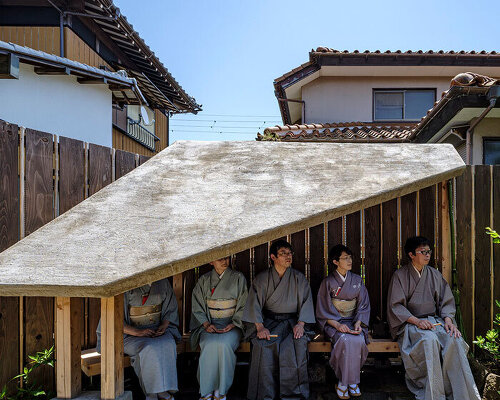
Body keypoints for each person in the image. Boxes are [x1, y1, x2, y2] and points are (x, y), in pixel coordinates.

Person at [387, 236, 480, 400]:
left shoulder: (435, 275)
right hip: (411, 324)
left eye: (429, 251)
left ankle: (462, 393)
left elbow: (446, 301)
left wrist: (449, 321)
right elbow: (397, 307)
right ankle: (434, 393)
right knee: (429, 341)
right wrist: (417, 321)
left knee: (454, 339)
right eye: (423, 252)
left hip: (434, 321)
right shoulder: (400, 276)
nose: (427, 255)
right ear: (411, 254)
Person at [242, 239, 315, 400]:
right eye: (283, 254)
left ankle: (294, 395)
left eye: (290, 253)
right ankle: (264, 394)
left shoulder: (299, 279)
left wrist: (301, 324)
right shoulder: (262, 279)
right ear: (273, 257)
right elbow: (254, 304)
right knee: (261, 346)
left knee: (297, 344)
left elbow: (306, 302)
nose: (288, 257)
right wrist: (260, 327)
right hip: (269, 322)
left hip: (292, 323)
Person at [97, 278, 181, 400]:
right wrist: (137, 332)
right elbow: (113, 318)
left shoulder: (162, 281)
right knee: (149, 348)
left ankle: (163, 390)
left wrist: (164, 325)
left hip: (156, 329)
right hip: (128, 333)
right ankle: (152, 394)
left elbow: (170, 308)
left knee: (168, 343)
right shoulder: (125, 282)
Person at [316, 244, 370, 399]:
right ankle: (343, 382)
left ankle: (351, 381)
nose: (349, 260)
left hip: (353, 321)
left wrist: (359, 322)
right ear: (335, 262)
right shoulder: (327, 283)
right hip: (334, 324)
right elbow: (322, 309)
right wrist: (338, 325)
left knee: (358, 340)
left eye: (350, 257)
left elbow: (363, 305)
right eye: (345, 258)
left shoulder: (357, 280)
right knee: (345, 340)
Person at [190, 256, 248, 400]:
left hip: (232, 325)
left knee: (223, 344)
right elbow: (197, 306)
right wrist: (206, 324)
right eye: (219, 259)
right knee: (209, 344)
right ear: (211, 261)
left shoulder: (238, 278)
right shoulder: (204, 280)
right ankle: (206, 389)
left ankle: (221, 390)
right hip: (210, 324)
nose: (224, 261)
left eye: (226, 258)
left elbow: (244, 303)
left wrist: (234, 323)